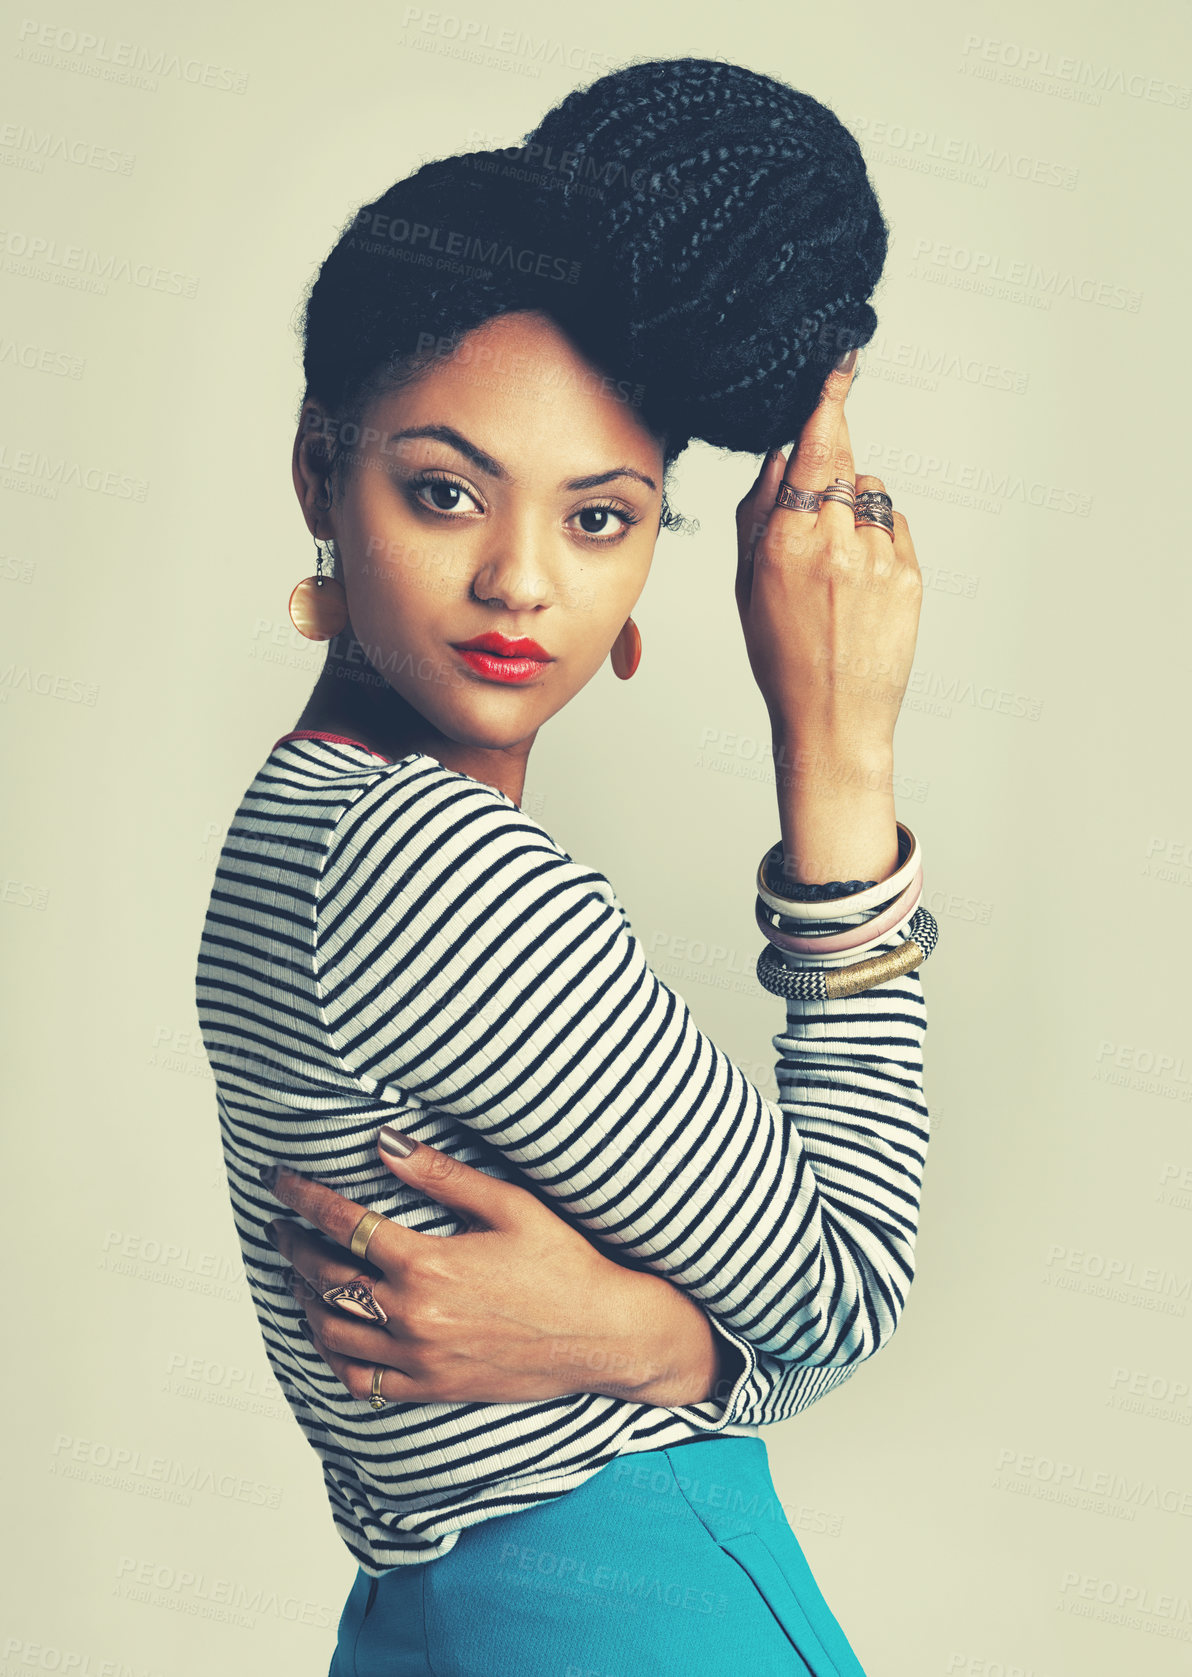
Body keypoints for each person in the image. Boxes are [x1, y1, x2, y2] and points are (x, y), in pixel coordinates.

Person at [195, 55, 934, 1676]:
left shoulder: (293, 821)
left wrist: (631, 1333)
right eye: (445, 490)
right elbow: (843, 1291)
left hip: (428, 1610)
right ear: (323, 470)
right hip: (634, 1599)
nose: (520, 579)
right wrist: (838, 750)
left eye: (601, 518)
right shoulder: (439, 863)